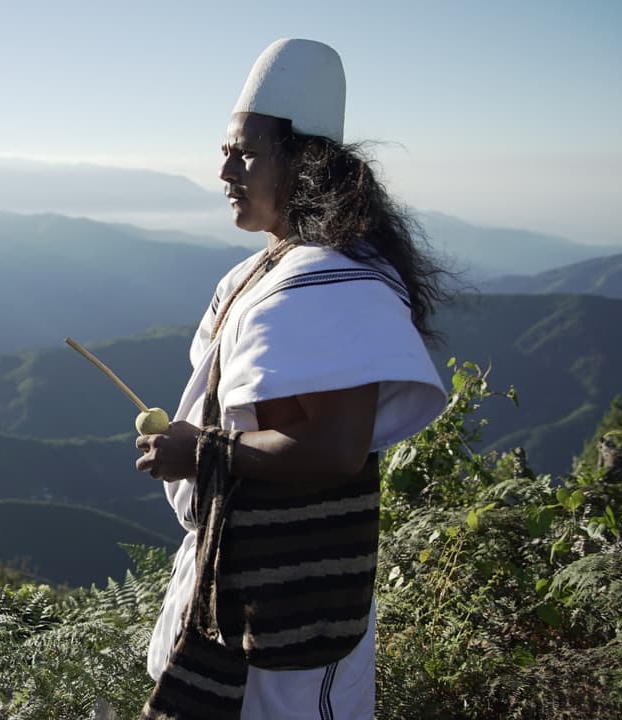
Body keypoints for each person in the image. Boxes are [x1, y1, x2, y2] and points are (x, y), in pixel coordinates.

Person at [134, 39, 448, 719]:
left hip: (287, 626)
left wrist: (201, 451)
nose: (223, 171)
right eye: (225, 149)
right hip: (247, 598)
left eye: (245, 153)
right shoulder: (277, 271)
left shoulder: (325, 285)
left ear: (304, 161)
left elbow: (335, 448)